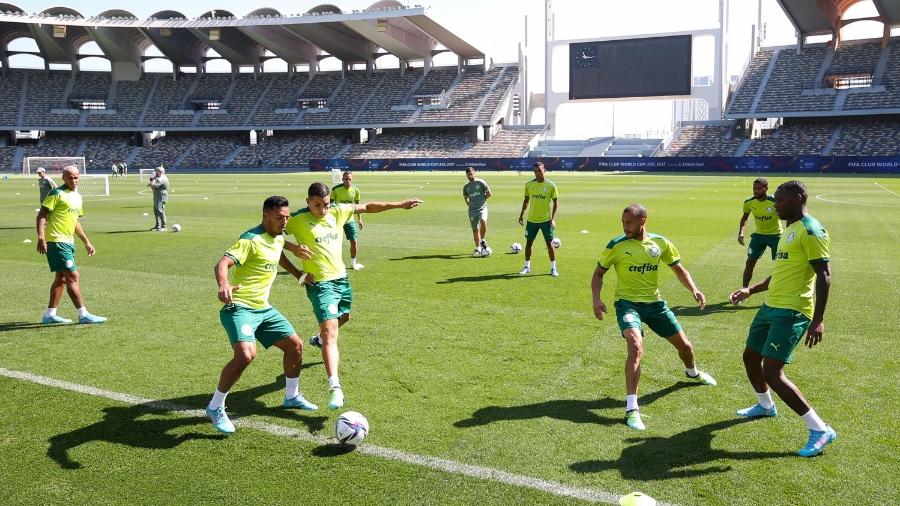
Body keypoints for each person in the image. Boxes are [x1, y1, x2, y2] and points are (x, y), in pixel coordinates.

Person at [283, 182, 421, 410]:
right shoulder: (297, 220)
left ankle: (318, 340)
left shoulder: (337, 211)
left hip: (341, 280)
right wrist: (297, 265)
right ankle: (335, 388)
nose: (323, 210)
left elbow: (368, 207)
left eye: (326, 204)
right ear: (308, 201)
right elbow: (271, 237)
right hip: (320, 284)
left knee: (344, 317)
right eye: (317, 205)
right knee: (331, 334)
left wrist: (400, 205)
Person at [729, 180, 835, 457]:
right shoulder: (790, 230)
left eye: (780, 200)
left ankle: (820, 429)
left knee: (772, 372)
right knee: (750, 357)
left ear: (798, 198)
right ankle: (765, 406)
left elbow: (824, 276)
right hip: (770, 306)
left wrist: (818, 319)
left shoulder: (811, 231)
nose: (775, 205)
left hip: (792, 311)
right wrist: (750, 290)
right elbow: (781, 272)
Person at [591, 204, 716, 431]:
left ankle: (692, 373)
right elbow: (599, 273)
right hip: (627, 305)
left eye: (629, 222)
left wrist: (694, 290)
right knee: (635, 345)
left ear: (643, 221)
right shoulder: (616, 245)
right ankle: (632, 409)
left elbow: (679, 269)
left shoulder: (660, 243)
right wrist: (596, 299)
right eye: (623, 222)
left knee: (686, 348)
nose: (625, 226)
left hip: (656, 306)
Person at [206, 196, 318, 434]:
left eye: (286, 218)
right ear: (265, 216)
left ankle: (291, 396)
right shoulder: (249, 240)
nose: (284, 222)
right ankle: (215, 406)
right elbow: (222, 263)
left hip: (263, 309)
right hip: (239, 308)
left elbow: (278, 253)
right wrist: (223, 284)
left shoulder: (277, 236)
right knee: (246, 355)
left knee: (295, 346)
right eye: (279, 218)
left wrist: (298, 273)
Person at [35, 165, 106, 325]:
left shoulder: (77, 197)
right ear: (63, 178)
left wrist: (86, 242)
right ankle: (83, 315)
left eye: (76, 177)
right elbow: (41, 215)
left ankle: (49, 315)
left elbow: (75, 222)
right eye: (70, 177)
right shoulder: (56, 194)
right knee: (73, 276)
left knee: (61, 279)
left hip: (68, 241)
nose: (73, 180)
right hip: (56, 241)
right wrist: (41, 237)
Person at [738, 178, 782, 288]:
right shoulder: (749, 202)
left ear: (766, 188)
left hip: (776, 236)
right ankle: (744, 290)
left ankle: (779, 289)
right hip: (759, 235)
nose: (756, 191)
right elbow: (745, 217)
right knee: (749, 263)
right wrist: (741, 232)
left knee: (781, 265)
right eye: (754, 188)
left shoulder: (774, 201)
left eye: (759, 188)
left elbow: (787, 216)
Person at [518, 161, 559, 276]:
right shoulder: (529, 185)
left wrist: (553, 219)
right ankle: (527, 267)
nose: (537, 173)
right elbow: (526, 201)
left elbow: (556, 203)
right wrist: (521, 214)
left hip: (546, 220)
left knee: (549, 244)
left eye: (539, 171)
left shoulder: (551, 185)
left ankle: (553, 268)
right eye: (535, 171)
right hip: (532, 220)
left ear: (544, 170)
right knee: (528, 243)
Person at [330, 171, 365, 270]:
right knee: (335, 242)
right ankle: (335, 263)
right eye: (346, 179)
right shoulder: (335, 189)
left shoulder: (355, 190)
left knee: (354, 241)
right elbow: (329, 205)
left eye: (350, 179)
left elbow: (358, 206)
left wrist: (360, 219)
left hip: (350, 220)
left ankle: (353, 263)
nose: (348, 181)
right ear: (342, 179)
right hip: (337, 220)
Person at [463, 166, 492, 256]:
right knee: (475, 229)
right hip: (472, 210)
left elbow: (489, 193)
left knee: (483, 221)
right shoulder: (466, 186)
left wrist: (482, 200)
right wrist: (469, 204)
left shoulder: (481, 182)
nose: (470, 176)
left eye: (471, 174)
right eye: (468, 175)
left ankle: (482, 240)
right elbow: (465, 197)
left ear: (474, 173)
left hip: (482, 208)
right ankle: (478, 248)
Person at [148, 166, 169, 231]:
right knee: (156, 211)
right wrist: (152, 180)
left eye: (157, 171)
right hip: (156, 196)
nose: (156, 173)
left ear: (161, 172)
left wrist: (153, 180)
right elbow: (150, 185)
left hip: (161, 196)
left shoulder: (163, 177)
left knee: (160, 210)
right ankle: (157, 225)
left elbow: (153, 185)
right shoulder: (158, 177)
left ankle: (163, 226)